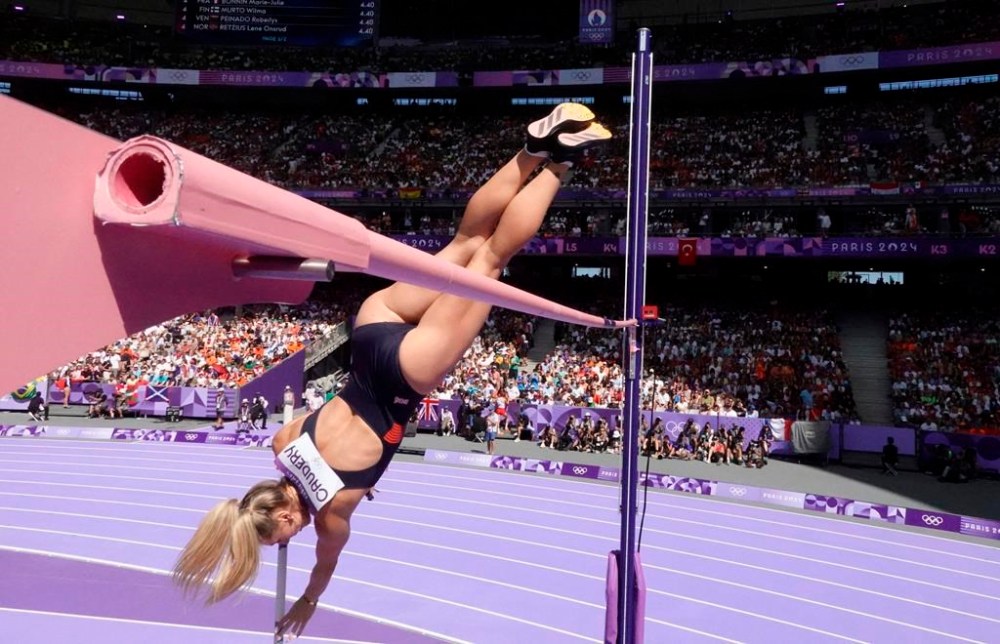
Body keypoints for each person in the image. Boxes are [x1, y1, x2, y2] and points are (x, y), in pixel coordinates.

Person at [172, 104, 615, 640]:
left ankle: (561, 161)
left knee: (492, 261)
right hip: (371, 333)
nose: (289, 539)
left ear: (285, 518)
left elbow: (326, 564)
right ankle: (533, 148)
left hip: (405, 374)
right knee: (465, 242)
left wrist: (309, 601)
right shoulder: (283, 442)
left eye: (278, 538)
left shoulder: (333, 510)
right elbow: (329, 439)